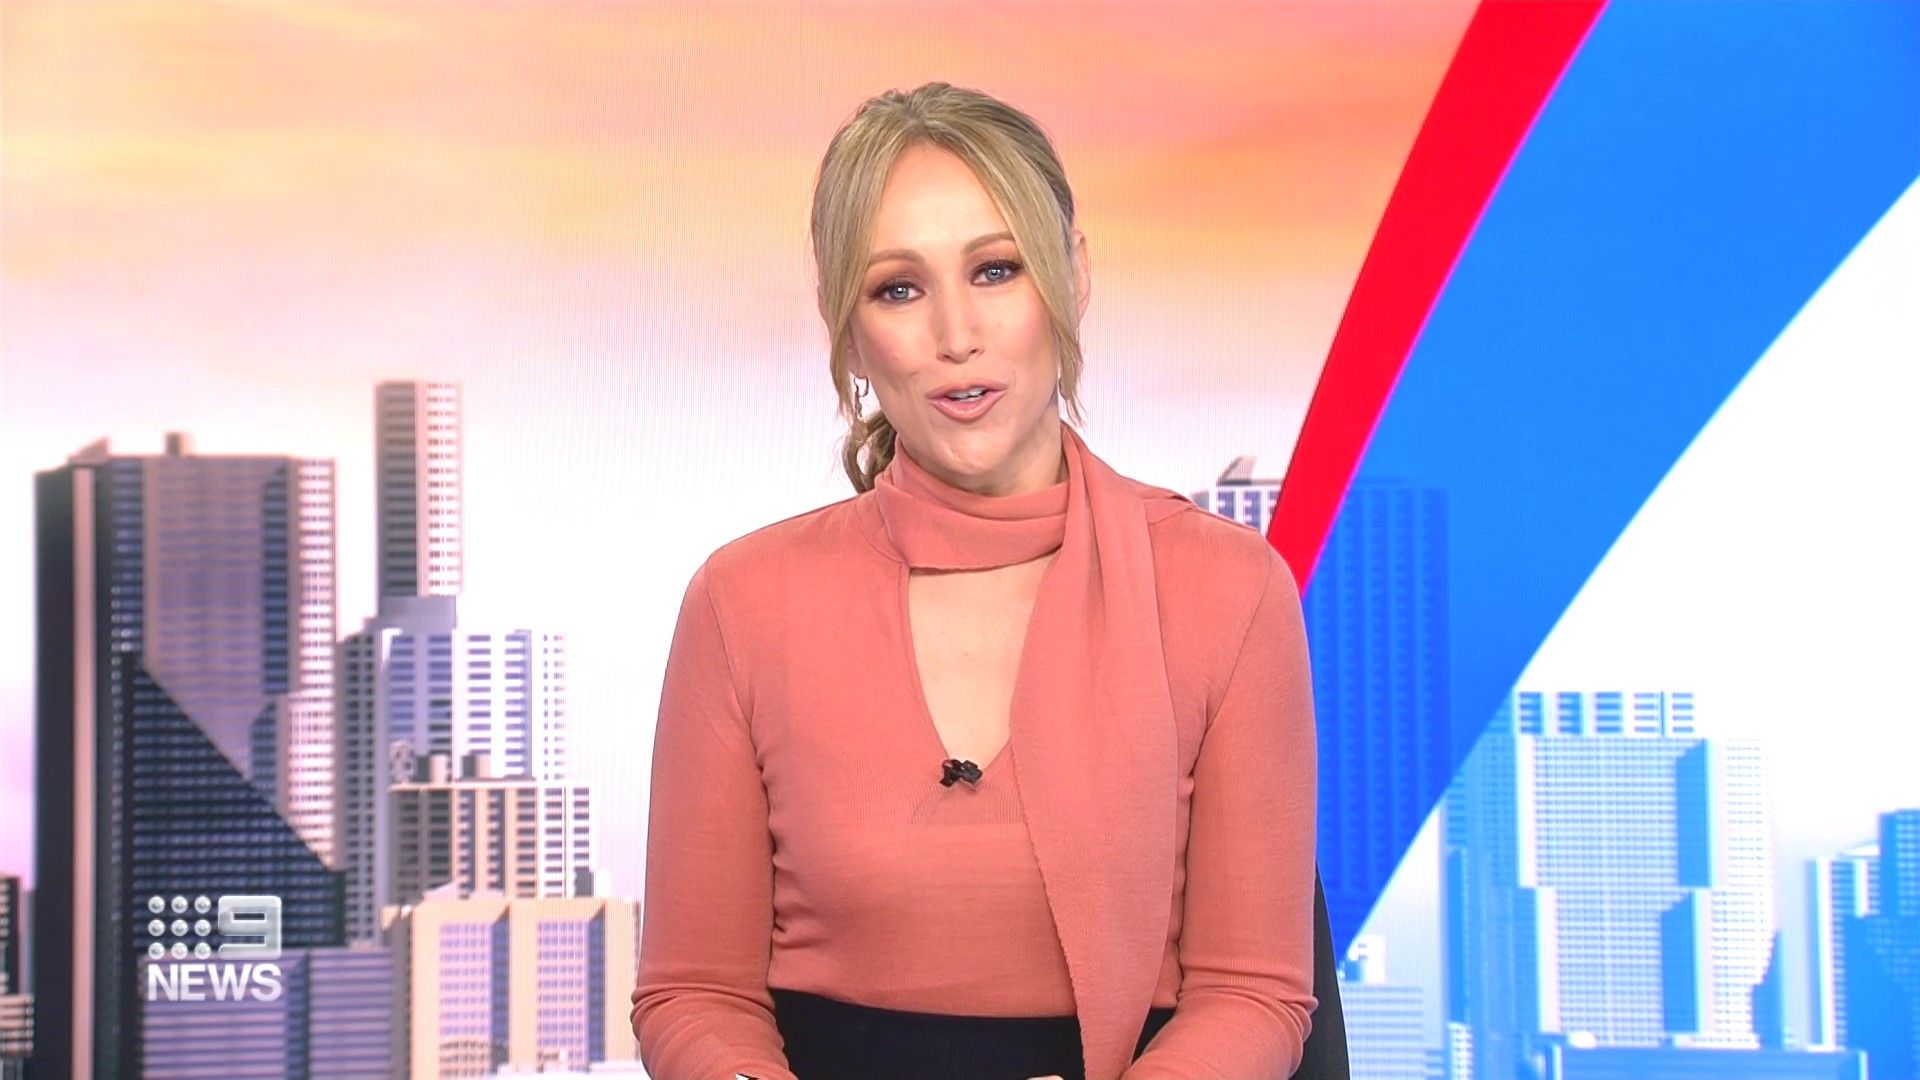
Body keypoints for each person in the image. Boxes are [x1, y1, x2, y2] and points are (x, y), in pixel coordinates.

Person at [630, 81, 1318, 1080]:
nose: (956, 334)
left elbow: (1254, 995)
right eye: (898, 289)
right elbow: (694, 994)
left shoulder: (1229, 591)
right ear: (848, 329)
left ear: (1072, 276)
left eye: (996, 270)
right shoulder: (742, 604)